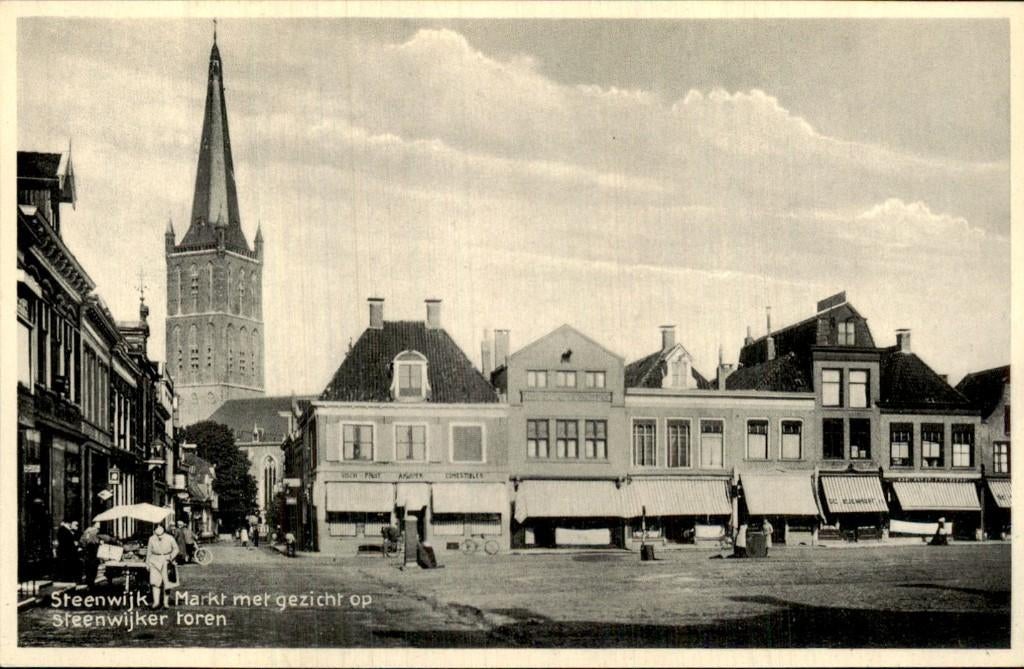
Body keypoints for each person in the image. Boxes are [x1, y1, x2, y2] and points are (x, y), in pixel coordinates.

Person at [146, 524, 179, 609]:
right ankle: (156, 602)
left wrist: (171, 557)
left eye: (161, 535)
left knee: (167, 583)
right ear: (154, 532)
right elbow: (149, 552)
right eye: (157, 535)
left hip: (166, 561)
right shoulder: (151, 539)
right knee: (155, 582)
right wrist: (147, 563)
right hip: (154, 561)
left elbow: (176, 549)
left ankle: (165, 603)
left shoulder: (170, 538)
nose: (159, 537)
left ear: (164, 532)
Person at [56, 518, 80, 583]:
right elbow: (66, 543)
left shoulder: (65, 530)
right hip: (66, 554)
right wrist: (73, 544)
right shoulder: (64, 530)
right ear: (68, 523)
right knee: (66, 569)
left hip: (65, 553)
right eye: (70, 523)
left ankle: (67, 580)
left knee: (67, 569)